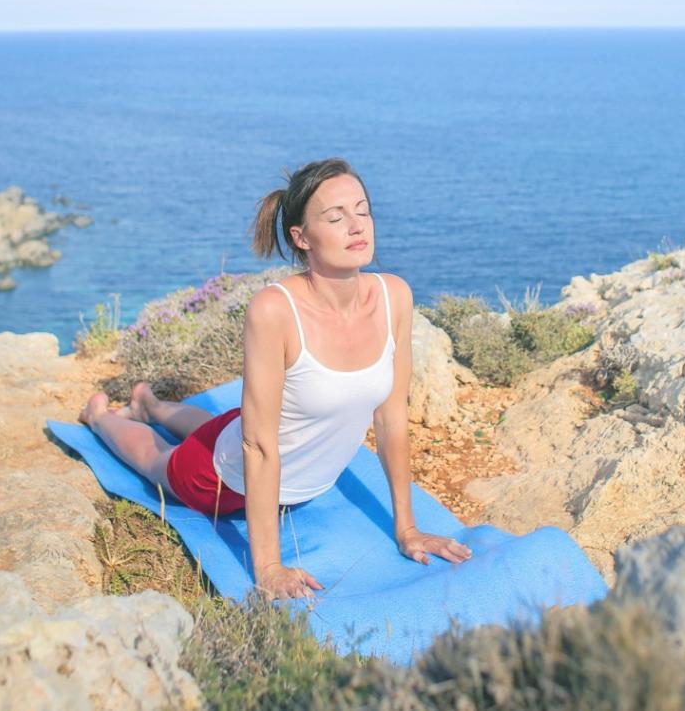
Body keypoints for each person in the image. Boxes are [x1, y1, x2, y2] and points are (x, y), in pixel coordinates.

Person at [78, 157, 473, 600]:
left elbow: (391, 417)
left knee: (227, 423)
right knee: (163, 461)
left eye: (362, 210)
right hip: (227, 479)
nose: (357, 226)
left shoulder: (394, 295)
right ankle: (102, 418)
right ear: (300, 238)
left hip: (260, 438)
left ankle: (151, 404)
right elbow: (257, 445)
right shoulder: (275, 310)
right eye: (336, 217)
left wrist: (409, 529)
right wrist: (267, 567)